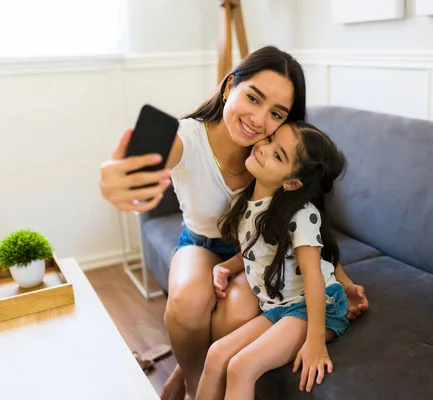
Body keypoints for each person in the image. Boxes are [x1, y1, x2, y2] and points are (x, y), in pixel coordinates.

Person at [99, 46, 368, 400]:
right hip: (203, 244)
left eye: (275, 113)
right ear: (229, 87)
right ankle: (193, 382)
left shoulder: (281, 155)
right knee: (188, 302)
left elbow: (308, 231)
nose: (258, 120)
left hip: (259, 253)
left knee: (240, 308)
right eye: (252, 98)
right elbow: (161, 145)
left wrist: (342, 279)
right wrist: (123, 174)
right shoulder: (191, 137)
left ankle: (185, 372)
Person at [197, 121, 348, 400]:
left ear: (292, 183)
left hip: (316, 307)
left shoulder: (301, 215)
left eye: (278, 155)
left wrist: (315, 340)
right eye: (270, 140)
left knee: (241, 367)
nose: (264, 149)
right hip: (278, 308)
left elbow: (314, 276)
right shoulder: (246, 204)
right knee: (217, 354)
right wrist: (225, 268)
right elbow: (253, 253)